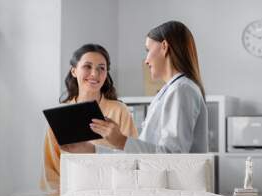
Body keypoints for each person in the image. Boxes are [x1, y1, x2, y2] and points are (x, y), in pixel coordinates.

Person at [62, 21, 208, 154]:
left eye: (148, 50)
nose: (146, 60)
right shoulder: (171, 90)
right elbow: (144, 155)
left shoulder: (181, 90)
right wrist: (92, 150)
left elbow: (172, 156)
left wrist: (121, 140)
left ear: (164, 46)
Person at [41, 44, 138, 196]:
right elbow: (51, 168)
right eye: (87, 66)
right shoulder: (59, 117)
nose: (95, 74)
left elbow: (134, 157)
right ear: (74, 70)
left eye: (101, 68)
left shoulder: (120, 111)